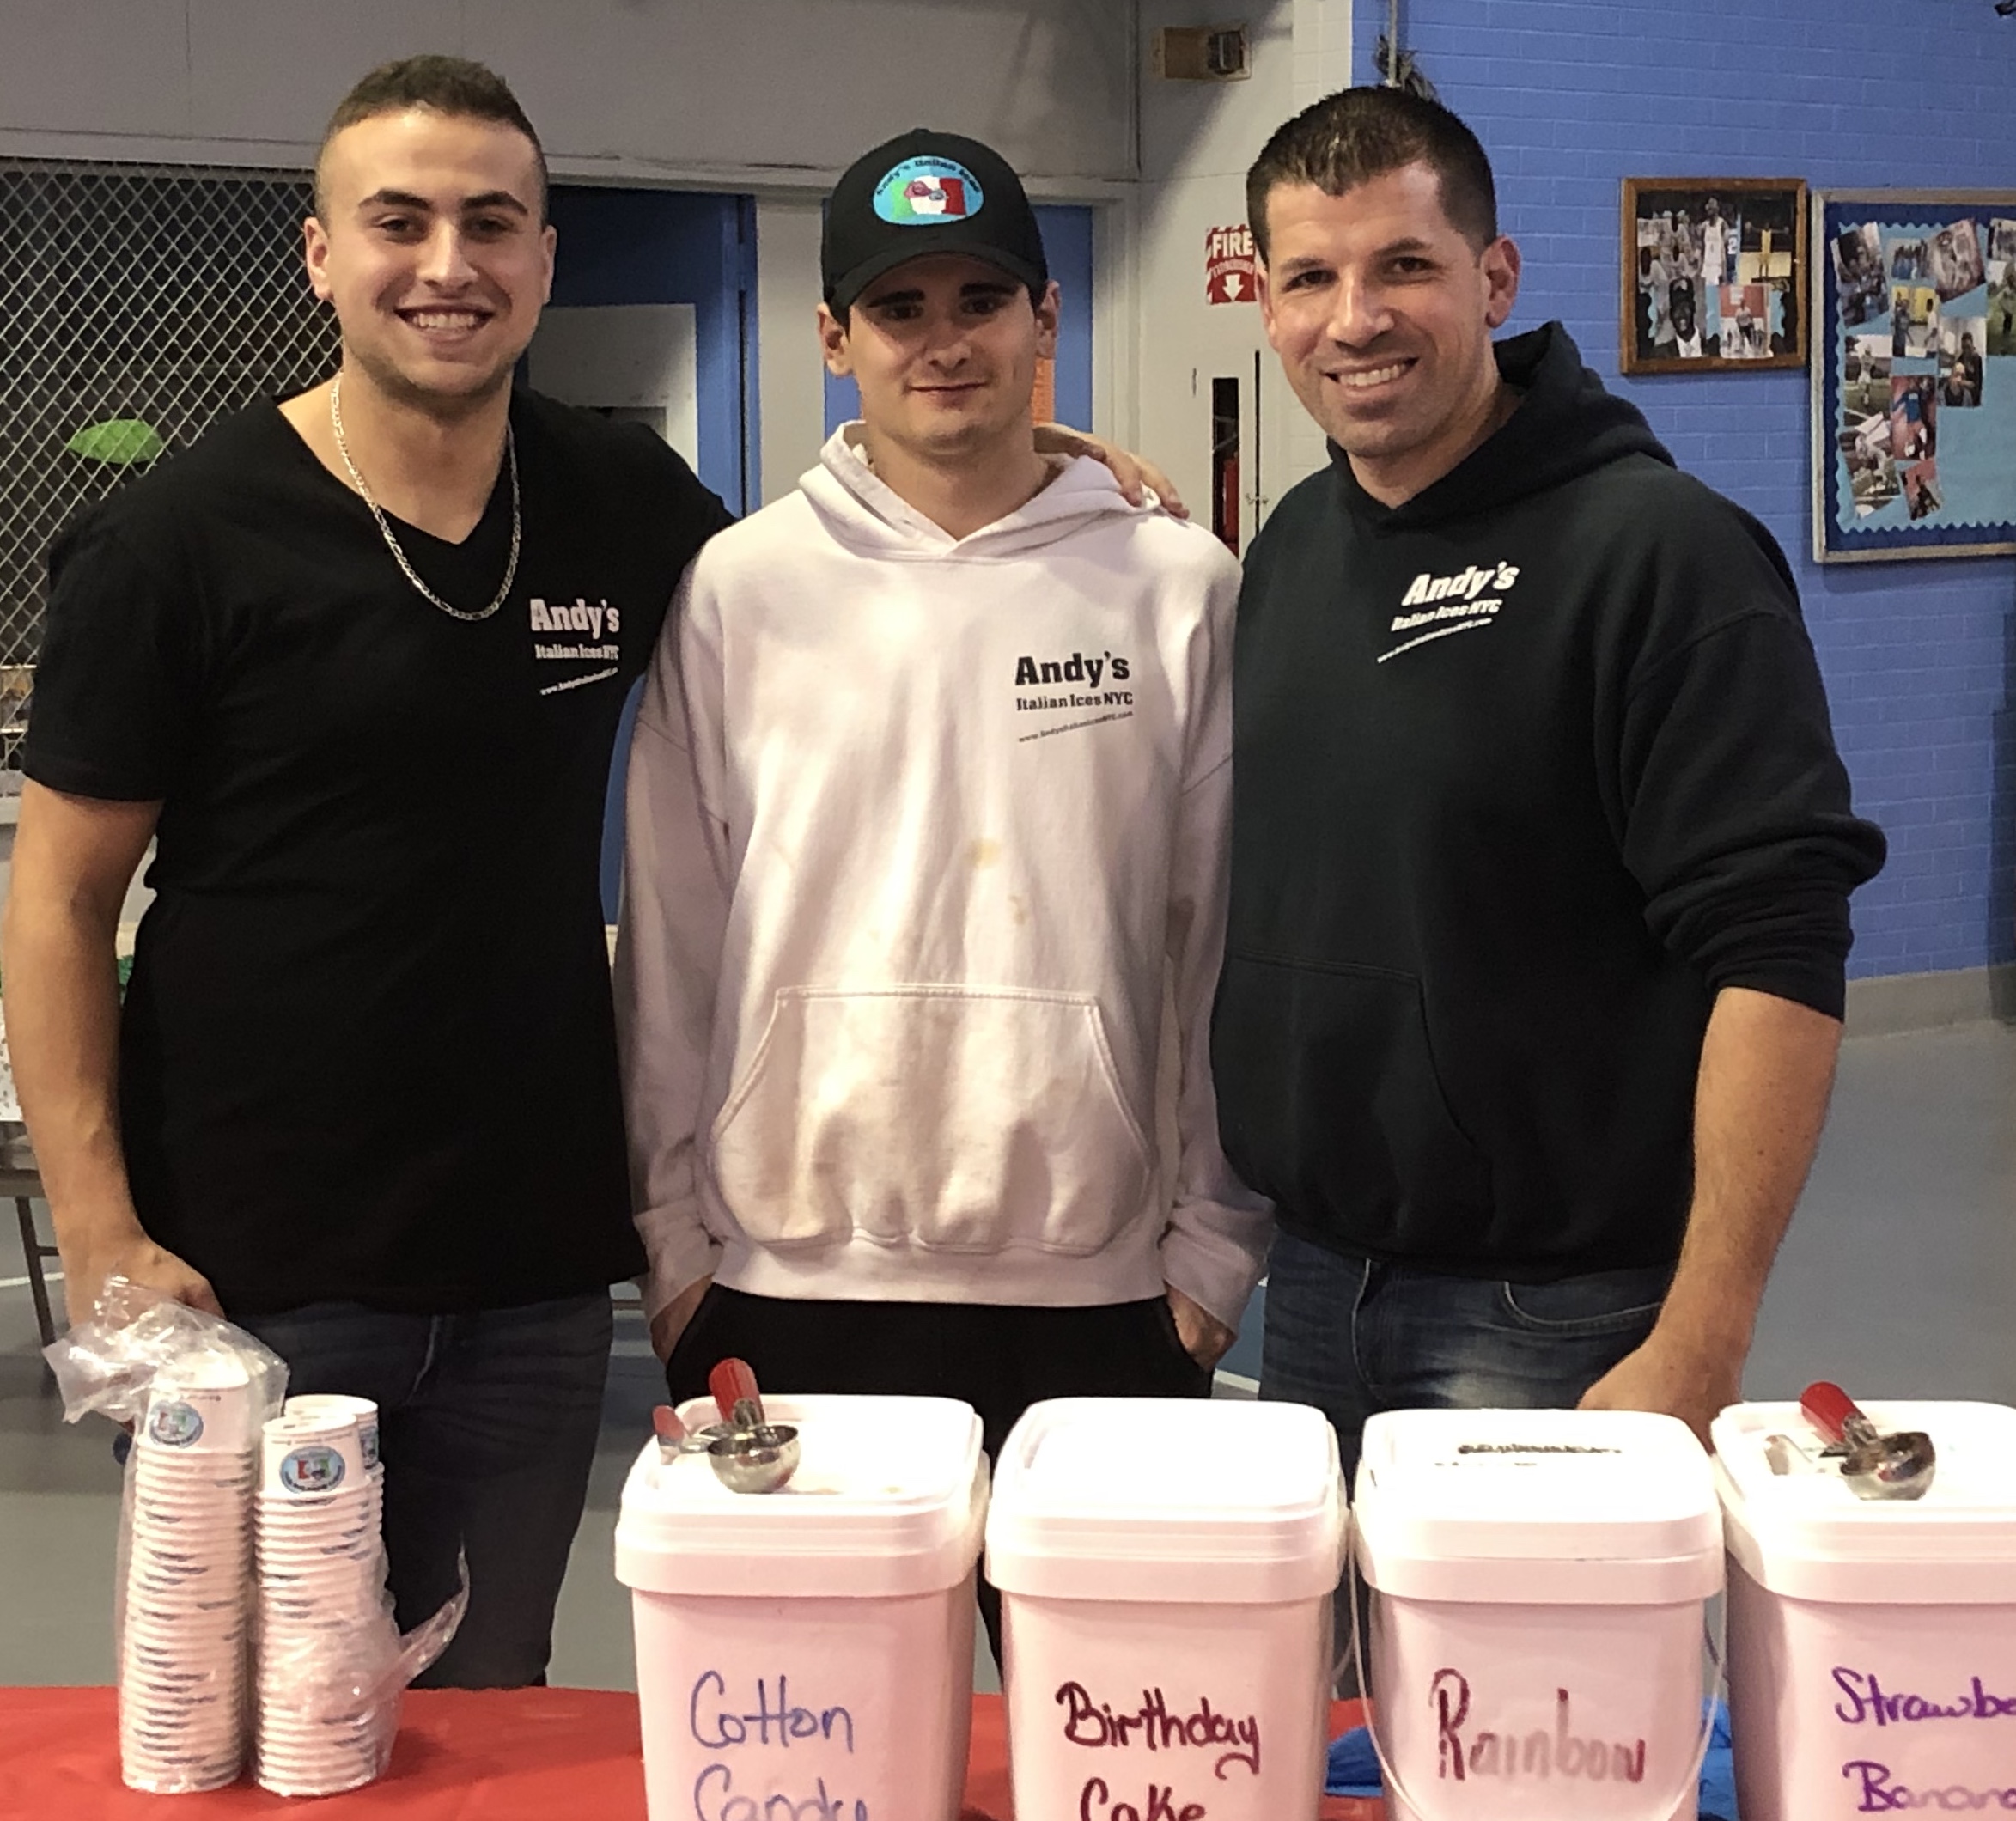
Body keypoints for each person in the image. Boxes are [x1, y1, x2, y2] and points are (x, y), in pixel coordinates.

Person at [4, 64, 1170, 1688]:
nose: (447, 264)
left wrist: (1035, 469)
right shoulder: (178, 543)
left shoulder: (619, 505)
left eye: (491, 222)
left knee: (487, 1725)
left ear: (545, 259)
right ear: (318, 255)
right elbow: (56, 898)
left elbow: (865, 563)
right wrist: (102, 1229)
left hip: (533, 1275)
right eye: (396, 223)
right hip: (254, 1264)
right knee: (253, 1732)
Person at [618, 130, 1271, 1645]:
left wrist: (1211, 1253)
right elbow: (676, 941)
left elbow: (1222, 935)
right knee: (817, 1776)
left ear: (1048, 322)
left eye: (982, 298)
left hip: (1105, 1294)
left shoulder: (1179, 586)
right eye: (899, 307)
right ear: (834, 336)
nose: (945, 340)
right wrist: (675, 1258)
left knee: (1112, 1763)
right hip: (785, 1287)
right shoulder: (741, 590)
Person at [1210, 87, 1886, 1489]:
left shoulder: (1660, 555)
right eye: (1311, 279)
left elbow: (1778, 949)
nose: (1356, 320)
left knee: (1536, 1714)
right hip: (1319, 1289)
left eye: (1405, 265)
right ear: (1266, 305)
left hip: (1553, 1310)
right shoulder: (1286, 551)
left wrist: (1707, 1327)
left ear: (1495, 275)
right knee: (1333, 1702)